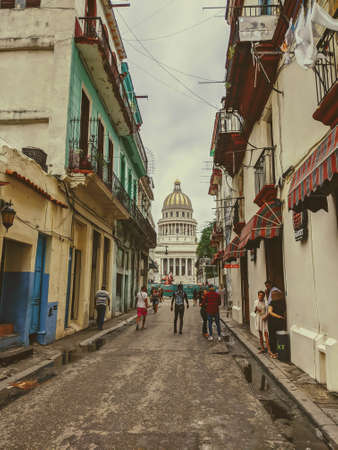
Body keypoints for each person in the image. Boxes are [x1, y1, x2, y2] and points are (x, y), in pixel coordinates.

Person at [267, 288, 286, 358]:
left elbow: (270, 312)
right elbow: (270, 312)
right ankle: (278, 352)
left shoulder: (272, 303)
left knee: (273, 337)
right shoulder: (282, 302)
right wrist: (280, 317)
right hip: (277, 321)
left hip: (273, 321)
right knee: (279, 338)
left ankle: (275, 352)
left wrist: (279, 317)